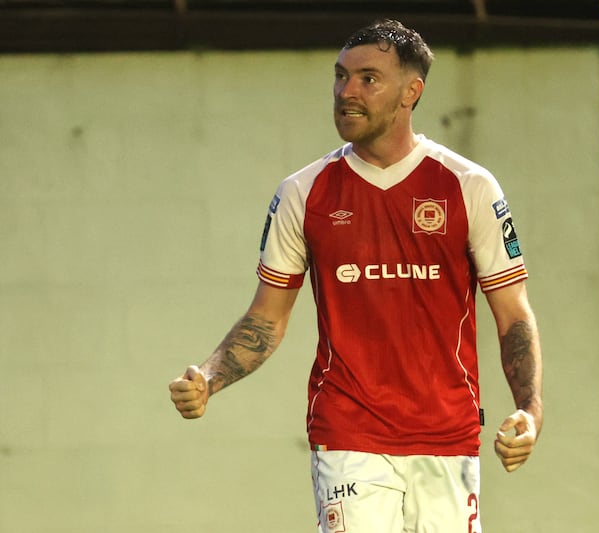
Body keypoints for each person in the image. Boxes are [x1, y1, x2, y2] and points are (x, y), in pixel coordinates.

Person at [169, 18, 543, 533]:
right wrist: (210, 377)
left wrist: (529, 408)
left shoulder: (469, 186)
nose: (347, 91)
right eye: (341, 76)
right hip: (348, 434)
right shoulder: (304, 192)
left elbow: (512, 316)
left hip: (448, 436)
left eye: (368, 78)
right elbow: (267, 317)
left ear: (412, 92)